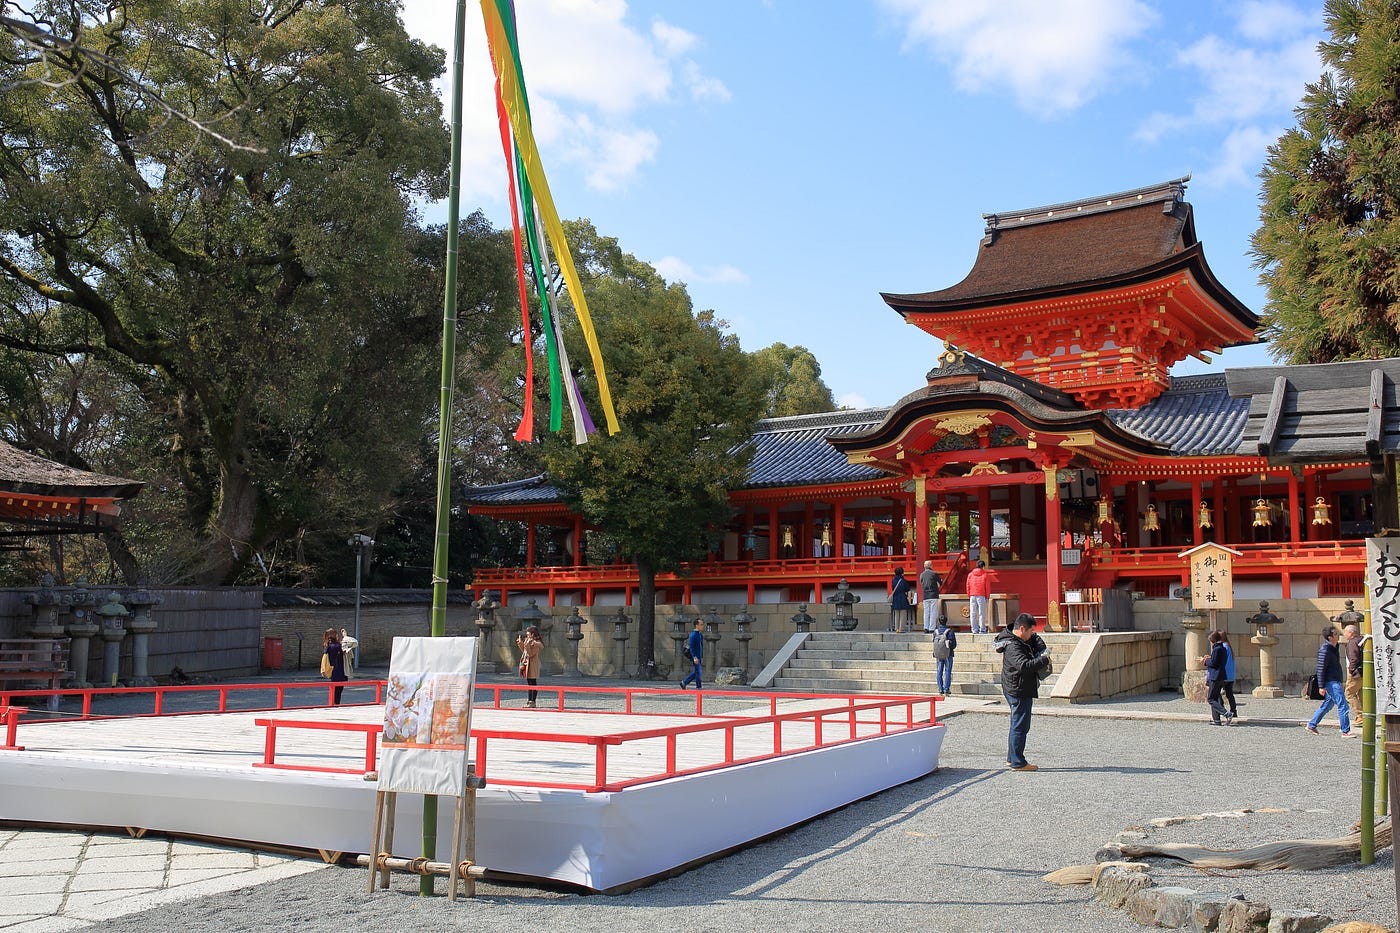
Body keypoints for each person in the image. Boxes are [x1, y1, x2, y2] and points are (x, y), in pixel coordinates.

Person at [995, 612, 1050, 770]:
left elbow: (1036, 639)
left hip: (1016, 685)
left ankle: (1012, 758)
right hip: (1018, 688)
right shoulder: (1012, 645)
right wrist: (1044, 659)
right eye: (1030, 631)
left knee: (1017, 723)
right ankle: (1018, 762)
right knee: (1020, 725)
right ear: (1022, 628)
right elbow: (1024, 666)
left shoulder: (1019, 638)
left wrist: (1040, 647)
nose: (1032, 634)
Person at [1306, 624, 1356, 737]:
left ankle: (1312, 724)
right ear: (1330, 637)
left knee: (1327, 705)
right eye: (1336, 634)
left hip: (1334, 680)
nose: (1338, 635)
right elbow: (1320, 669)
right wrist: (1321, 686)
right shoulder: (1325, 650)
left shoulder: (1334, 647)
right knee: (1343, 705)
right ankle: (1345, 731)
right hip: (1330, 682)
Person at [1201, 630, 1236, 725]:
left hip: (1215, 676)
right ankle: (1216, 720)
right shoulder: (1223, 648)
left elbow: (1214, 663)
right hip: (1221, 675)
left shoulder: (1217, 649)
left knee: (1211, 699)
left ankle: (1226, 713)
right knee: (1216, 697)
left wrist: (1205, 662)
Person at [515, 625, 542, 708]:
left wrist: (526, 644)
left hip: (533, 664)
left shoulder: (536, 643)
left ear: (532, 634)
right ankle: (529, 700)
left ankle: (532, 701)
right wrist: (521, 643)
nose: (526, 634)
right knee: (529, 683)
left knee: (532, 683)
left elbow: (531, 654)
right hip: (527, 663)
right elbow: (525, 651)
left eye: (528, 632)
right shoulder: (528, 641)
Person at [933, 616, 957, 695]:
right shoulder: (949, 632)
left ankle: (940, 688)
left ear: (939, 621)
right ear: (946, 621)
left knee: (939, 671)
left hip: (938, 654)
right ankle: (946, 688)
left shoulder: (935, 632)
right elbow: (954, 645)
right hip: (948, 654)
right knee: (947, 671)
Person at [965, 559, 991, 634]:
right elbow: (987, 587)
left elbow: (968, 585)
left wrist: (969, 594)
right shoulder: (985, 575)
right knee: (981, 613)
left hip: (972, 595)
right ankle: (982, 628)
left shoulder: (970, 574)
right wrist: (987, 596)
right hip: (981, 595)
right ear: (983, 566)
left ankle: (974, 629)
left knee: (973, 613)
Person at [322, 628, 347, 705]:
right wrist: (345, 636)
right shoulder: (337, 646)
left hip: (332, 670)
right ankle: (335, 705)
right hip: (339, 670)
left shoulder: (328, 646)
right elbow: (350, 644)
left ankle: (333, 704)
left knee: (334, 690)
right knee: (338, 690)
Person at [679, 618, 704, 690]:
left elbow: (701, 647)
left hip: (699, 656)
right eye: (701, 625)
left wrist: (701, 656)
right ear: (697, 625)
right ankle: (698, 686)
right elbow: (692, 647)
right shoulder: (693, 635)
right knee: (698, 672)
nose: (702, 626)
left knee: (697, 672)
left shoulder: (700, 635)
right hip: (695, 656)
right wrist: (694, 657)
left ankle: (684, 682)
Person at [1343, 623, 1363, 713]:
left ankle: (1360, 714)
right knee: (1361, 693)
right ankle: (1366, 714)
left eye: (1346, 632)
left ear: (1351, 633)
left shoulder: (1353, 642)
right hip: (1364, 671)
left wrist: (1351, 670)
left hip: (1356, 672)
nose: (1344, 634)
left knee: (1349, 693)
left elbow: (1353, 658)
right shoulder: (1362, 640)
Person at [919, 560, 942, 632]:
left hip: (925, 595)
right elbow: (940, 582)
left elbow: (921, 583)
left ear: (924, 566)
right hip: (933, 595)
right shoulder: (934, 574)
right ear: (931, 566)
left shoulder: (922, 574)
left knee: (926, 612)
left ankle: (926, 627)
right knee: (933, 612)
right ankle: (932, 628)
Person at [889, 567, 914, 633]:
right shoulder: (903, 581)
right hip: (902, 597)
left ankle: (896, 628)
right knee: (903, 614)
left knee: (896, 614)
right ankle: (901, 629)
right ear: (902, 573)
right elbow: (907, 589)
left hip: (895, 597)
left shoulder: (893, 580)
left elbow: (892, 588)